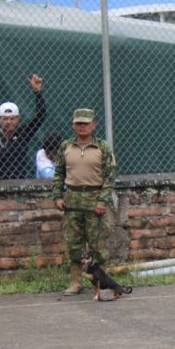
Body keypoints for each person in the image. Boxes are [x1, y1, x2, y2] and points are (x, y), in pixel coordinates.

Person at [51, 108, 117, 296]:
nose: (82, 127)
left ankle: (103, 282)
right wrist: (57, 196)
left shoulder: (102, 147)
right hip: (71, 201)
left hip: (95, 200)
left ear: (93, 125)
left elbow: (110, 177)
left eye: (85, 123)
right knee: (74, 244)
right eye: (78, 123)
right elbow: (58, 174)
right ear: (73, 125)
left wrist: (103, 201)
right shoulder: (65, 146)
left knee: (98, 245)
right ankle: (76, 282)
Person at [0, 74, 48, 181]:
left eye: (12, 119)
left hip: (19, 183)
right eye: (5, 119)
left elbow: (40, 116)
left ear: (18, 119)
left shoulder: (23, 133)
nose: (9, 122)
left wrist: (37, 92)